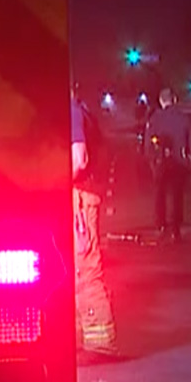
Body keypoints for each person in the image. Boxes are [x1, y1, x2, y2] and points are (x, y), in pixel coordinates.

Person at [71, 85, 121, 356]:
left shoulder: (70, 112)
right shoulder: (82, 111)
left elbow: (78, 160)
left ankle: (100, 342)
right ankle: (87, 338)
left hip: (78, 199)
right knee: (75, 270)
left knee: (84, 271)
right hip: (83, 196)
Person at [145, 87, 191, 243]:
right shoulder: (183, 118)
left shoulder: (155, 118)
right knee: (177, 195)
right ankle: (176, 229)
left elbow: (148, 141)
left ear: (161, 101)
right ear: (174, 100)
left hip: (161, 162)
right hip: (179, 162)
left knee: (160, 195)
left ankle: (161, 227)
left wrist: (151, 159)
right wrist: (190, 156)